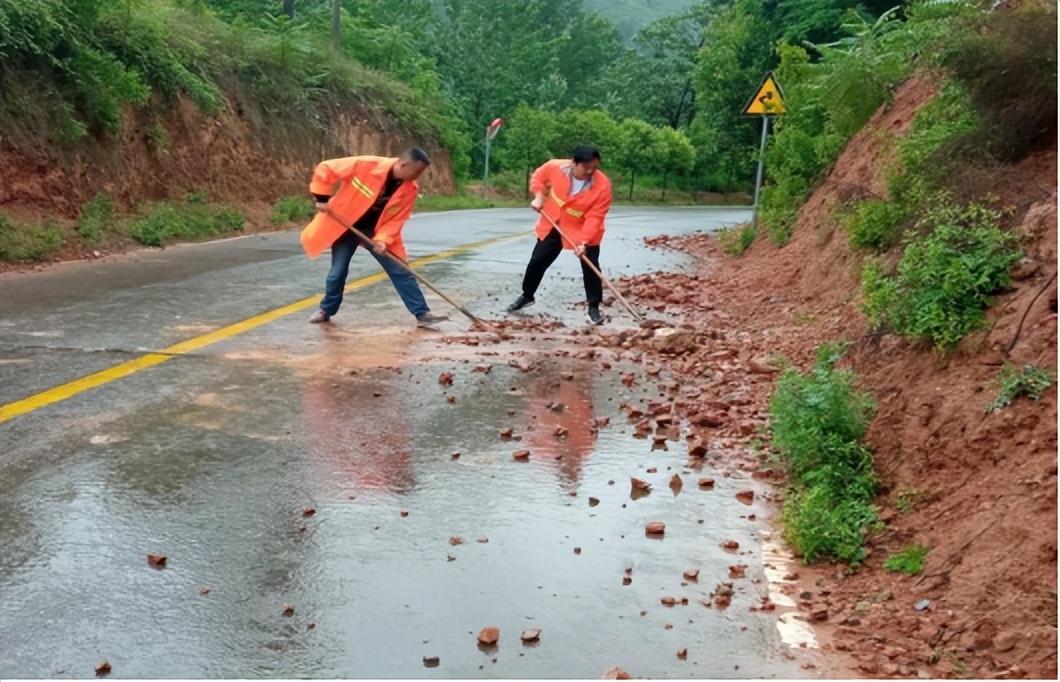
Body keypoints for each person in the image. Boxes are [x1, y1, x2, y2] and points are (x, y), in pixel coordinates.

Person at [300, 147, 448, 327]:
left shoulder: (409, 190)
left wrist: (383, 240)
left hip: (375, 230)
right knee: (337, 273)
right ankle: (326, 310)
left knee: (400, 269)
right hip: (345, 226)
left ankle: (422, 313)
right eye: (416, 172)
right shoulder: (366, 166)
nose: (417, 177)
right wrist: (321, 198)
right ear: (403, 164)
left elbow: (396, 219)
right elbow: (326, 168)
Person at [507, 145, 613, 325]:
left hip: (584, 228)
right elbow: (538, 177)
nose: (590, 172)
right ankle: (527, 295)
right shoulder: (555, 167)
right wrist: (539, 196)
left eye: (594, 168)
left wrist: (584, 241)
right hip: (554, 221)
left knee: (591, 267)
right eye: (586, 167)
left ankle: (593, 307)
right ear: (574, 163)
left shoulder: (602, 185)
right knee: (537, 261)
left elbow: (595, 217)